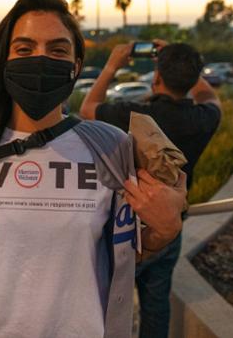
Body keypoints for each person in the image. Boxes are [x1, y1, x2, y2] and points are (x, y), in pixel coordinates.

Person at [0, 0, 187, 338]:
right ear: (4, 61)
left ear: (76, 65)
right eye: (24, 49)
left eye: (57, 50)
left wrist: (166, 230)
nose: (40, 59)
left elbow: (128, 254)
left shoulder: (111, 148)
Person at [80, 41, 222, 338]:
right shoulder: (204, 118)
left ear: (156, 78)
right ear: (194, 77)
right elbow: (211, 97)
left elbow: (87, 108)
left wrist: (111, 66)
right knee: (156, 306)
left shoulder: (131, 115)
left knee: (105, 306)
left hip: (122, 227)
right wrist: (186, 67)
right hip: (169, 225)